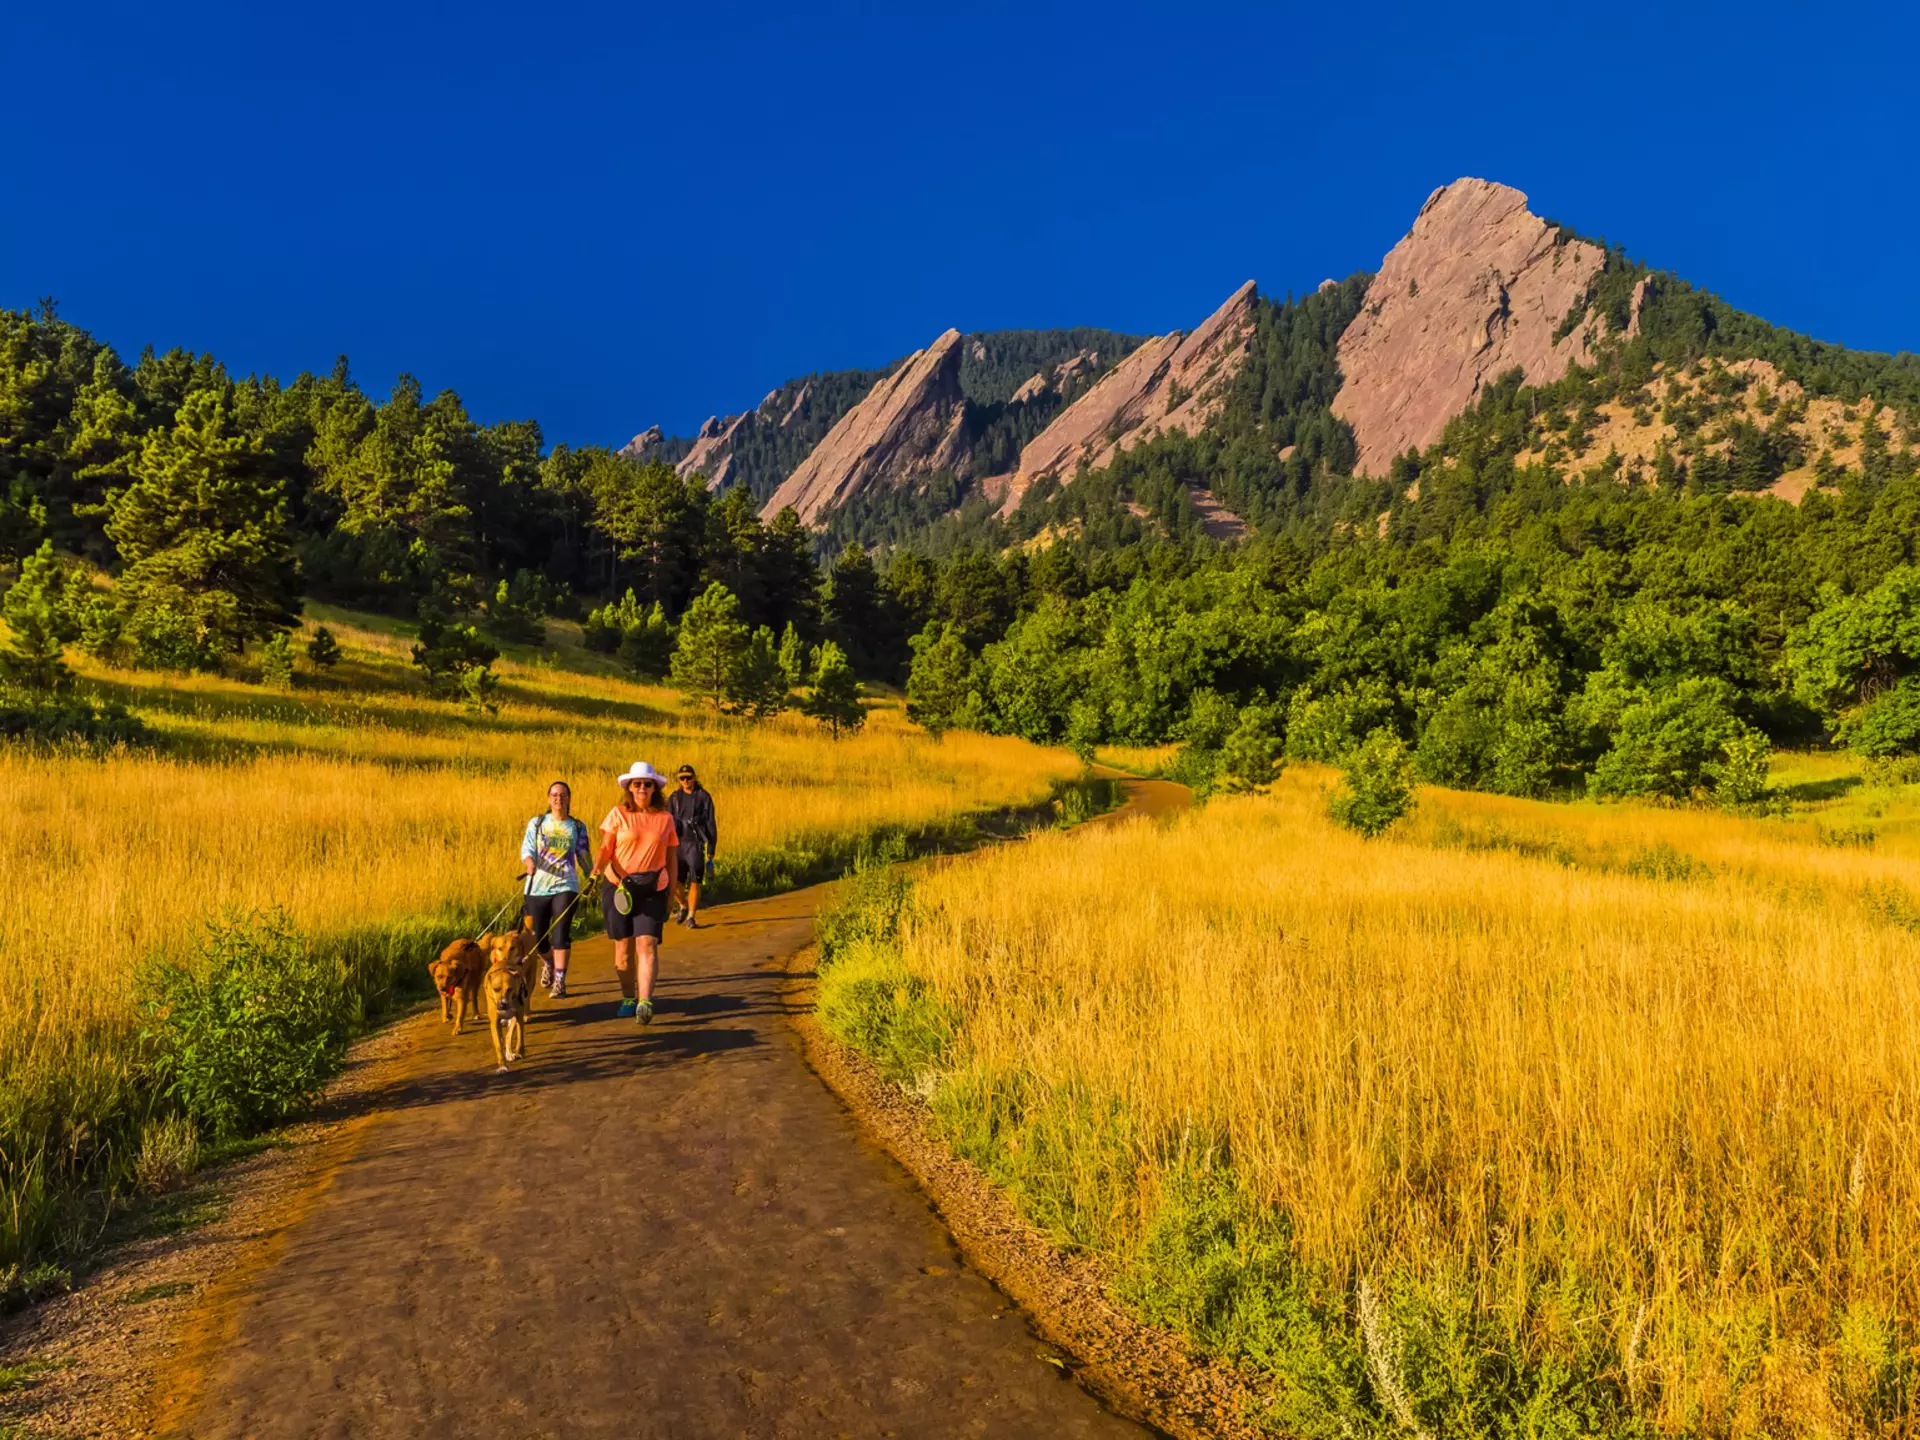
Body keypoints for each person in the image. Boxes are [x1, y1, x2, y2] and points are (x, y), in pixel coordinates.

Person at [596, 761, 678, 1023]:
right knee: (623, 948)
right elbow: (606, 847)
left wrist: (671, 894)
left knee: (647, 942)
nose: (642, 787)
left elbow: (672, 858)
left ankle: (645, 1002)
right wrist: (595, 869)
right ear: (629, 788)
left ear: (655, 788)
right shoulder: (618, 814)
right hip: (618, 886)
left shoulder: (665, 819)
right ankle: (628, 996)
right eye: (637, 783)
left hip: (653, 887)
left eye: (647, 783)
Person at [520, 780, 592, 998]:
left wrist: (591, 877)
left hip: (566, 885)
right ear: (548, 798)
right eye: (554, 794)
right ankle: (549, 962)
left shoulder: (577, 827)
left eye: (562, 795)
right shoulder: (538, 823)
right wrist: (529, 861)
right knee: (538, 938)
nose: (558, 798)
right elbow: (527, 848)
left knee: (560, 934)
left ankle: (560, 980)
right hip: (537, 886)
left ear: (569, 798)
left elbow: (583, 854)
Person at [668, 764, 718, 929]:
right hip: (677, 843)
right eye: (682, 778)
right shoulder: (674, 798)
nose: (685, 781)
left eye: (688, 777)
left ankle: (691, 917)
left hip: (695, 843)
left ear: (694, 778)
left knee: (695, 881)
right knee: (674, 881)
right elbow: (665, 822)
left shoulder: (704, 797)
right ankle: (683, 905)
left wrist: (711, 847)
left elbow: (711, 823)